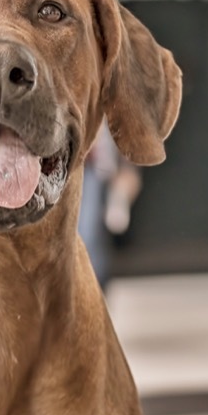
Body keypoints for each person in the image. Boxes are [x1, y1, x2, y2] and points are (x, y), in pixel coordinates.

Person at [78, 123, 142, 293]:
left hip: (104, 173)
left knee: (94, 235)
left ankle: (95, 286)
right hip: (83, 170)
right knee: (87, 232)